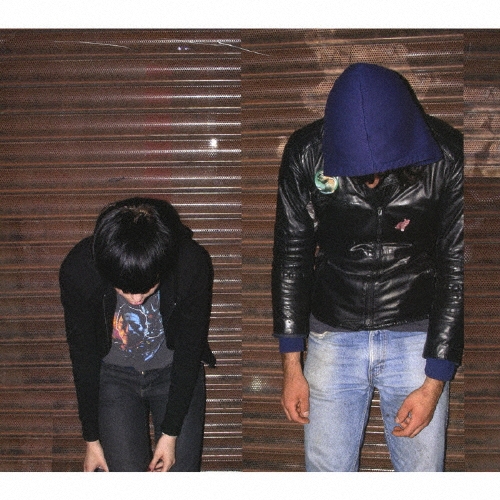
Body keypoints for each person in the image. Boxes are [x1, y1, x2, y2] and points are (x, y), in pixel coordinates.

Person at [272, 63, 463, 472]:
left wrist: (435, 380)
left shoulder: (446, 153)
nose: (371, 181)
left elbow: (455, 266)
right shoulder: (307, 151)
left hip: (417, 332)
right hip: (333, 329)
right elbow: (291, 256)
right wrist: (291, 363)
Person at [59, 197, 215, 472]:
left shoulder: (191, 263)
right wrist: (91, 438)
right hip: (114, 378)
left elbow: (190, 349)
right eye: (124, 288)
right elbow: (82, 354)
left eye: (148, 287)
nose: (136, 299)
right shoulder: (79, 269)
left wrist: (170, 434)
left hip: (174, 372)